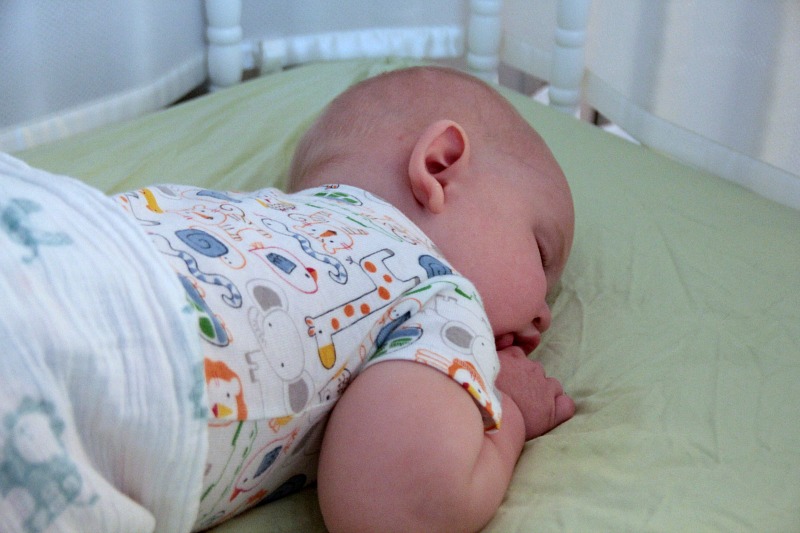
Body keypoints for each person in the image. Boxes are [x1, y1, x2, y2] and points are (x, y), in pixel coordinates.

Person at [0, 66, 574, 533]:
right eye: (542, 253)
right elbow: (399, 503)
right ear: (441, 167)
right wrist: (506, 415)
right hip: (96, 364)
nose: (544, 312)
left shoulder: (241, 216)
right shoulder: (434, 286)